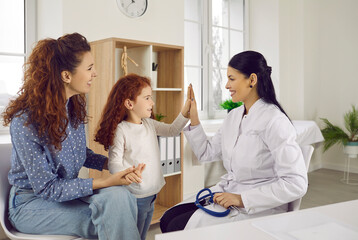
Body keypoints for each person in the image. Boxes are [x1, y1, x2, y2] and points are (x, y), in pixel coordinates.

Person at [2, 33, 144, 240]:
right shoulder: (26, 123)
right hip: (30, 204)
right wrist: (105, 182)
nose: (95, 73)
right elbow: (47, 188)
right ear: (66, 76)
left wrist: (114, 165)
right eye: (89, 68)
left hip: (67, 194)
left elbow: (80, 154)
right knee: (110, 217)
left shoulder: (72, 107)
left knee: (122, 197)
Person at [161, 50, 308, 231]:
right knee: (167, 219)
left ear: (252, 80)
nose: (226, 85)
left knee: (176, 227)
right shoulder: (234, 116)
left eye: (232, 79)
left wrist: (241, 199)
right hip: (230, 191)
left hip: (259, 204)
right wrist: (194, 117)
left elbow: (296, 183)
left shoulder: (274, 121)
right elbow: (206, 154)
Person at [94, 73, 191, 240]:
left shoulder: (149, 124)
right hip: (135, 197)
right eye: (147, 98)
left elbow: (172, 130)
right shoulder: (121, 130)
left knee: (142, 235)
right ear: (129, 103)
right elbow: (113, 163)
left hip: (152, 194)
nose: (152, 102)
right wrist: (127, 173)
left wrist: (185, 111)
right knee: (134, 236)